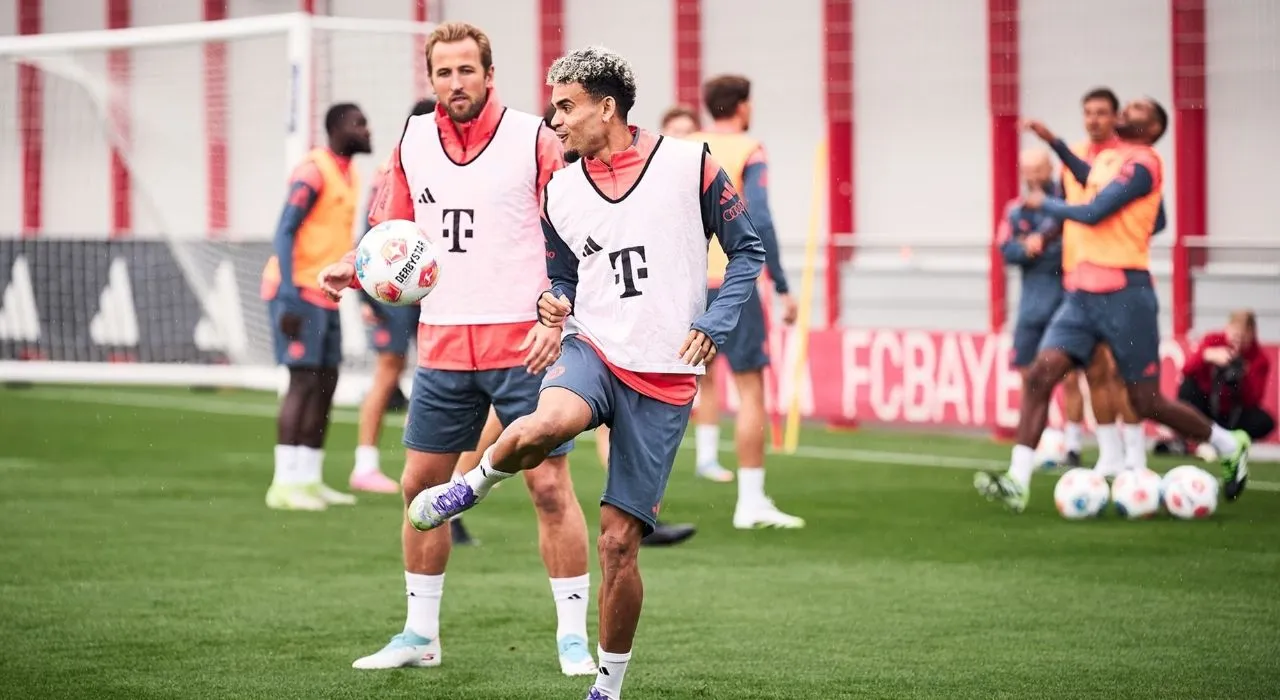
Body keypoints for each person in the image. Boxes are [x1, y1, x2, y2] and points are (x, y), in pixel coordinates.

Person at [404, 45, 766, 700]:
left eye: (566, 107)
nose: (556, 120)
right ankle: (473, 486)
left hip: (664, 371)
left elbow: (748, 252)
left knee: (619, 545)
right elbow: (564, 273)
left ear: (608, 107)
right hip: (592, 347)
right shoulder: (562, 190)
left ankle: (608, 684)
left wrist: (715, 323)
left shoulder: (691, 166)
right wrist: (554, 307)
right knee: (548, 422)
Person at [317, 23, 594, 675]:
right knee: (419, 485)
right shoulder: (412, 140)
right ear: (431, 78)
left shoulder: (534, 139)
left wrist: (558, 312)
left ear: (489, 74)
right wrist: (353, 266)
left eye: (467, 70)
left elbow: (576, 232)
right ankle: (420, 635)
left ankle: (574, 637)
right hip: (442, 346)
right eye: (444, 73)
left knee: (549, 486)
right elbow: (394, 230)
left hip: (525, 344)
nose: (456, 83)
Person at [975, 97, 1252, 511]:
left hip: (1126, 295)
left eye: (1137, 108)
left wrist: (1044, 202)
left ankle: (1230, 445)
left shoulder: (1144, 164)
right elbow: (1086, 178)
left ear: (1153, 128)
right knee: (1039, 376)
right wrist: (1055, 143)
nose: (1125, 110)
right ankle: (1017, 480)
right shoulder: (1109, 160)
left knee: (1145, 402)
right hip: (1080, 297)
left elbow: (1094, 212)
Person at [688, 74, 804, 529]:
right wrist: (781, 283)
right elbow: (761, 217)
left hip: (685, 282)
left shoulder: (683, 146)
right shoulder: (750, 150)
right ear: (742, 106)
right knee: (750, 387)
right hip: (731, 281)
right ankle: (751, 502)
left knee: (668, 388)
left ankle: (641, 501)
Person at [586, 104, 700, 547]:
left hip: (641, 313)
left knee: (521, 427)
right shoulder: (573, 181)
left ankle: (633, 510)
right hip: (581, 315)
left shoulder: (672, 178)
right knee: (525, 427)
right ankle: (462, 488)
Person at [1024, 86, 1155, 473]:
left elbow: (1152, 217)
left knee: (1122, 372)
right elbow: (1071, 209)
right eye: (1088, 112)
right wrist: (1046, 235)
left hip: (1120, 281)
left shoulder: (1131, 162)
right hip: (1078, 279)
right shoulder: (1078, 157)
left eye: (1102, 112)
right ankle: (1111, 455)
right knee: (1093, 373)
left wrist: (1120, 233)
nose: (1094, 119)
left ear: (1116, 118)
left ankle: (1136, 455)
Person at [260, 102, 370, 511]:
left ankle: (308, 479)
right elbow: (284, 231)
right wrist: (288, 293)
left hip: (324, 293)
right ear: (339, 127)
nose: (366, 129)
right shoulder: (312, 171)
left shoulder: (351, 174)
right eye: (360, 123)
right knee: (302, 381)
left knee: (326, 382)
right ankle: (284, 483)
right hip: (295, 291)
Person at [350, 98, 437, 496]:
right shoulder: (396, 166)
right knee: (390, 368)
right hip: (392, 286)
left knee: (428, 372)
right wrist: (370, 296)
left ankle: (419, 464)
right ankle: (365, 464)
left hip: (423, 286)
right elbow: (375, 234)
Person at [1170, 310, 1275, 453]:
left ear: (1252, 334)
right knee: (1188, 388)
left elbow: (1254, 400)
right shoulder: (1213, 341)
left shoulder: (1259, 359)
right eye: (1235, 336)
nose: (1237, 343)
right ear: (1228, 328)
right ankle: (1193, 440)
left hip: (1234, 413)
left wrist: (1242, 376)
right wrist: (1208, 356)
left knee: (1264, 421)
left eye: (1243, 338)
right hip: (1207, 407)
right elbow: (1186, 370)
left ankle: (1232, 442)